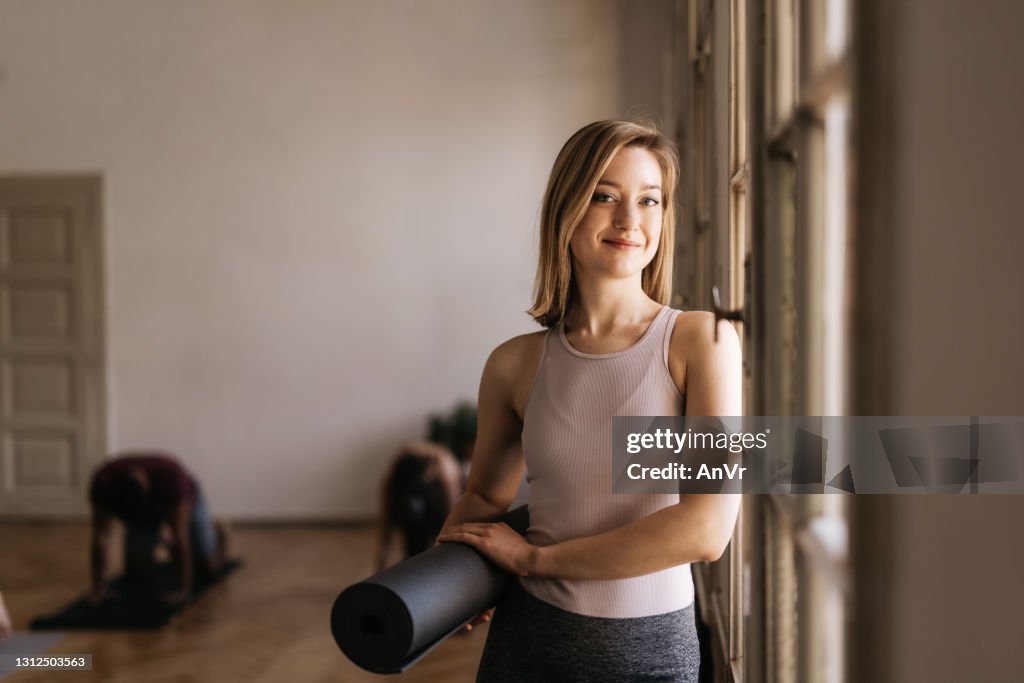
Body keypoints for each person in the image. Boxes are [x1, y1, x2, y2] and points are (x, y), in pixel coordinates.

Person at [436, 120, 742, 682]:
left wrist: (534, 560)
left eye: (649, 201)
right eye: (605, 197)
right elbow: (482, 495)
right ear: (567, 207)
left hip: (651, 656)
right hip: (526, 644)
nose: (630, 221)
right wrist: (447, 578)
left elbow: (707, 528)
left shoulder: (703, 339)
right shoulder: (514, 363)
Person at [89, 452, 229, 606]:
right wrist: (98, 588)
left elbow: (180, 536)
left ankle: (217, 530)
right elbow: (100, 536)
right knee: (136, 574)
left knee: (208, 570)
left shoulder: (172, 478)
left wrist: (183, 591)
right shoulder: (103, 483)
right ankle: (164, 540)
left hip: (186, 499)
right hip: (143, 509)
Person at [376, 441, 463, 571]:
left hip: (435, 504)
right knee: (416, 549)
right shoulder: (397, 476)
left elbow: (453, 509)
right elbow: (386, 522)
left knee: (436, 542)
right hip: (413, 501)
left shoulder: (444, 466)